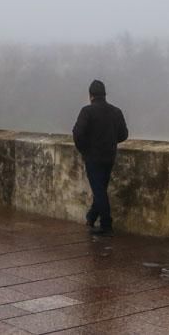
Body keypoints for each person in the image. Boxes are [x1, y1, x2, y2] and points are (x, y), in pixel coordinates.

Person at [72, 79, 128, 236]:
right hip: (110, 156)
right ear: (104, 94)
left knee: (99, 191)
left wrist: (84, 149)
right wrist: (110, 142)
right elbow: (124, 134)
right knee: (101, 189)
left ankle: (106, 225)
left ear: (91, 95)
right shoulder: (116, 111)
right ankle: (91, 216)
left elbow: (77, 133)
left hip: (93, 158)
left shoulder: (87, 111)